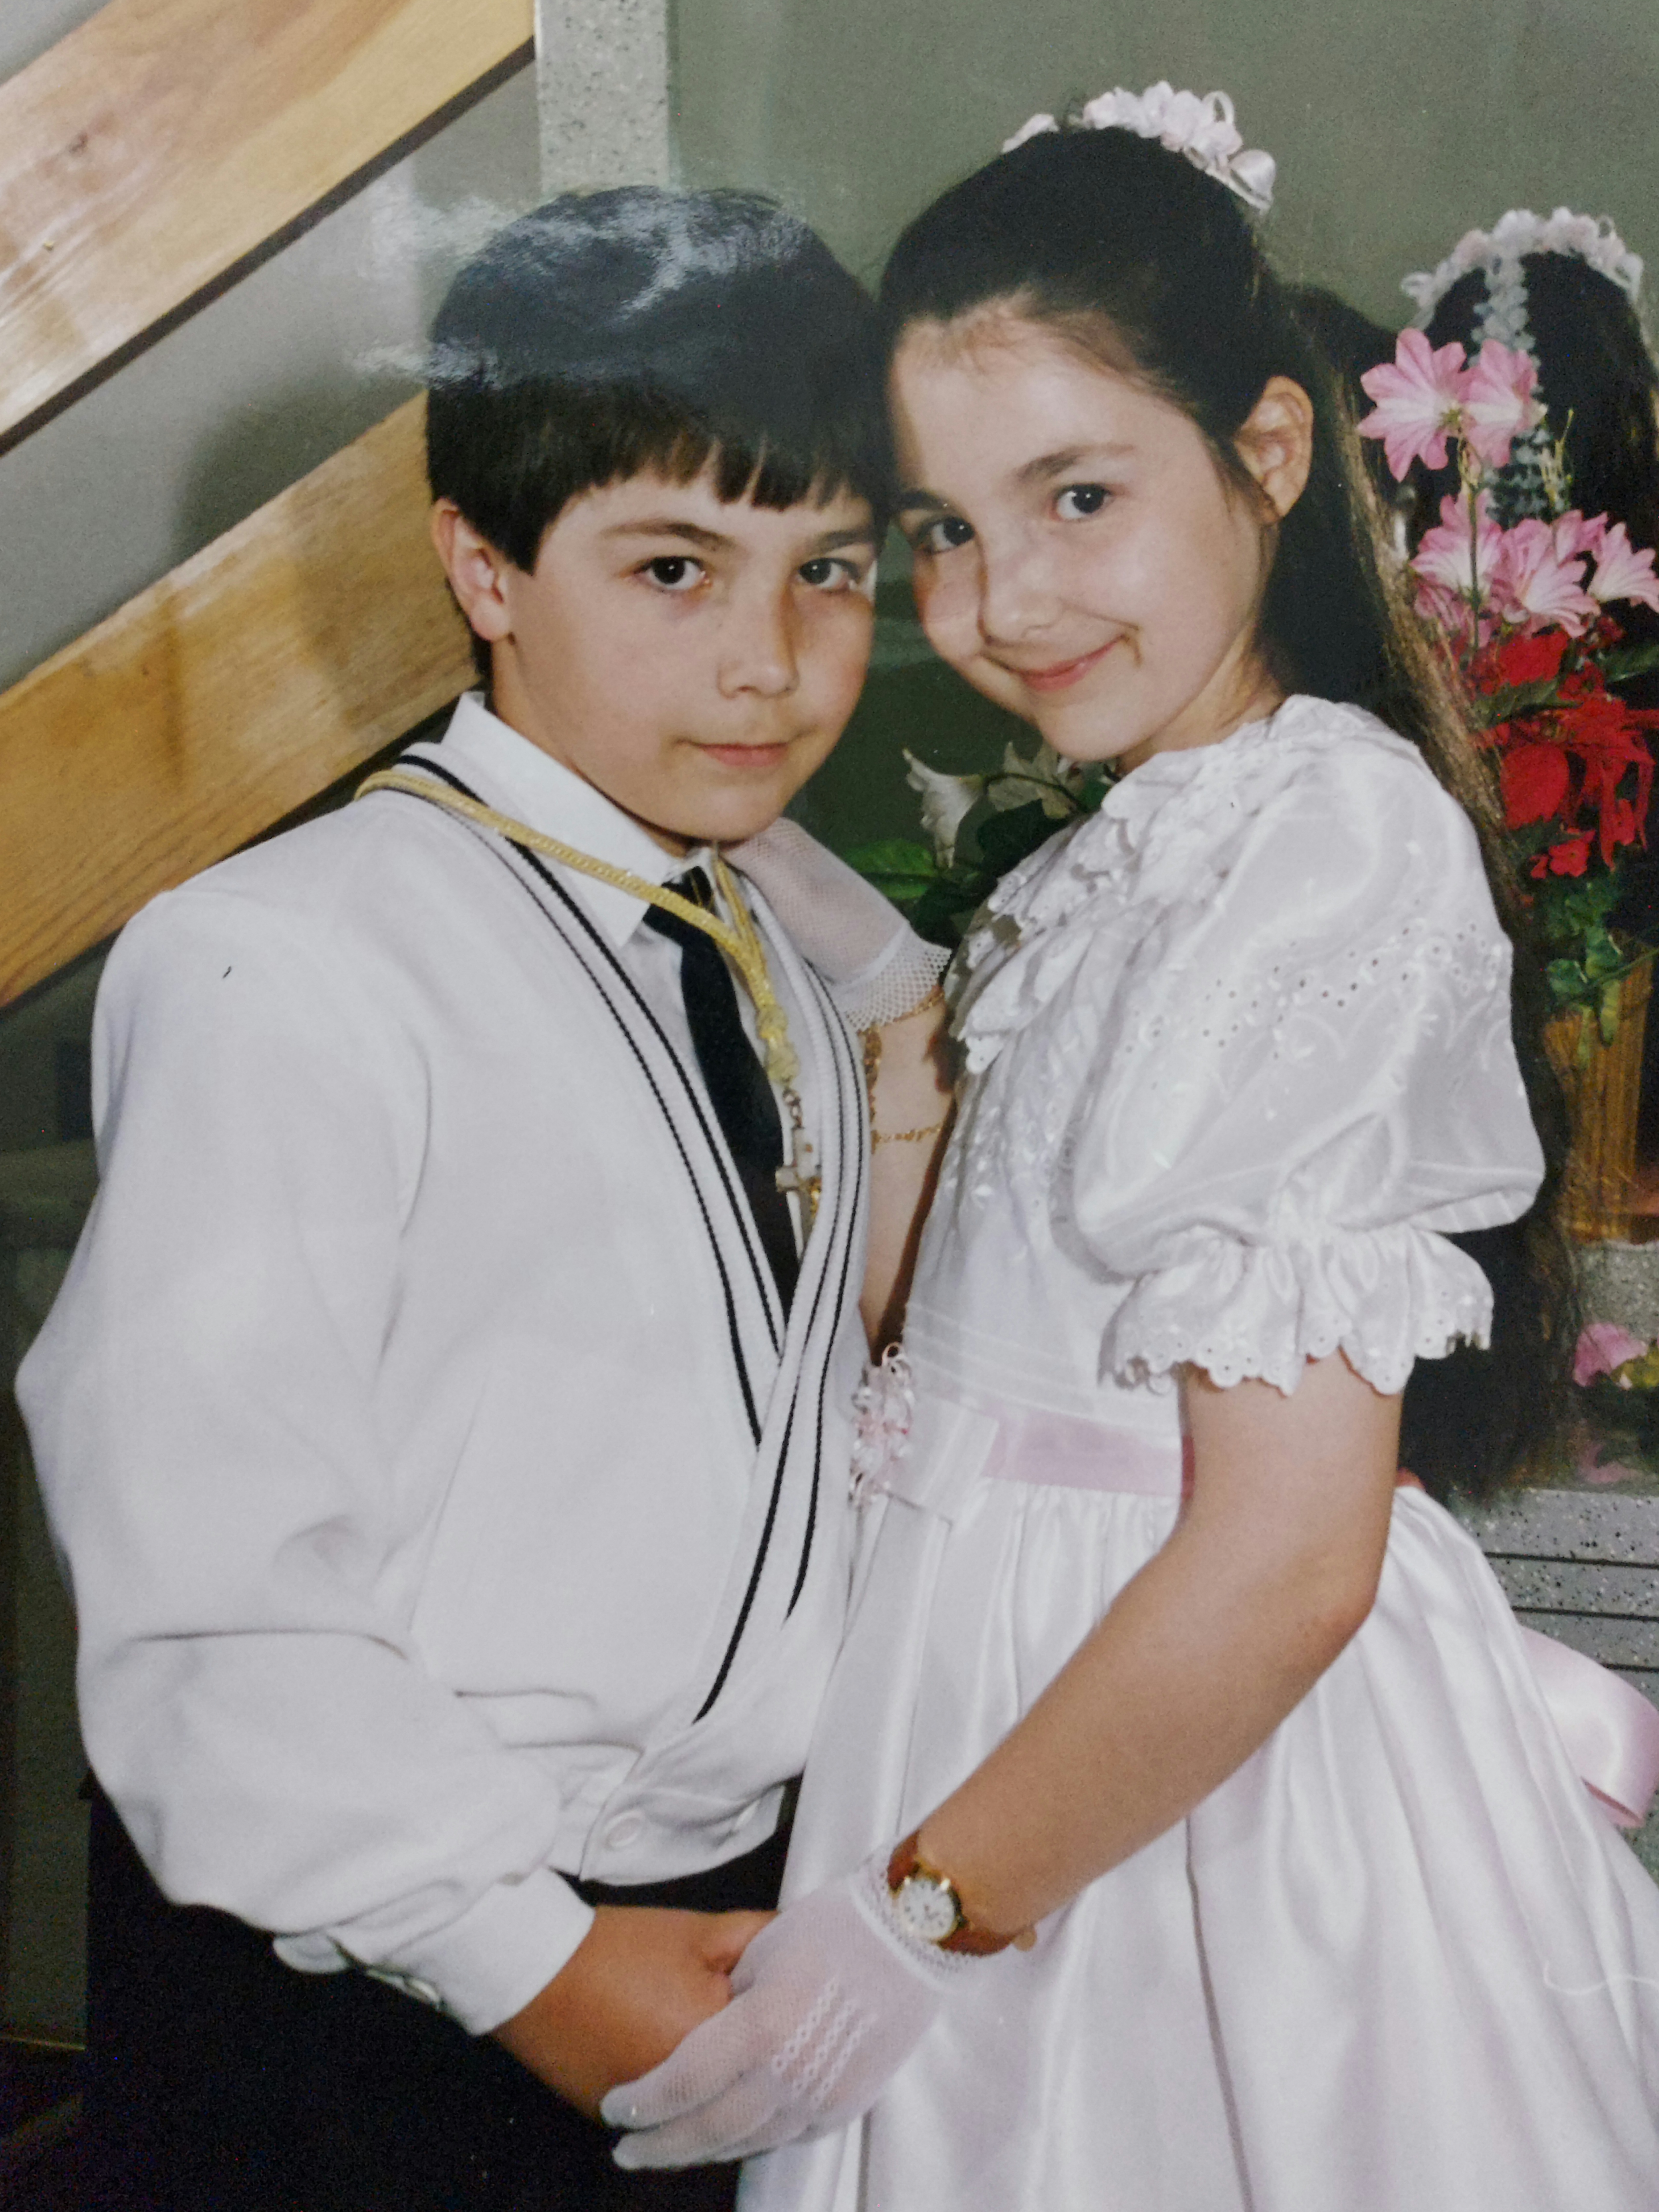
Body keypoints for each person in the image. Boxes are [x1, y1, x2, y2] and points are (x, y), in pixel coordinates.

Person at [602, 94, 1659, 2210]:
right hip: (1002, 1710)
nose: (1002, 598)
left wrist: (924, 1916)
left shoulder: (1325, 843)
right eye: (942, 528)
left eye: (1078, 495)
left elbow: (1280, 1562)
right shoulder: (1115, 849)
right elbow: (947, 1344)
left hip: (1169, 1796)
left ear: (1265, 454)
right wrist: (892, 1000)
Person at [17, 188, 951, 2212]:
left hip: (710, 1928)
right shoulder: (295, 955)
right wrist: (525, 1959)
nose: (769, 664)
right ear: (484, 566)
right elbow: (206, 1586)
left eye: (828, 572)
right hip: (389, 1978)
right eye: (673, 569)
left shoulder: (765, 950)